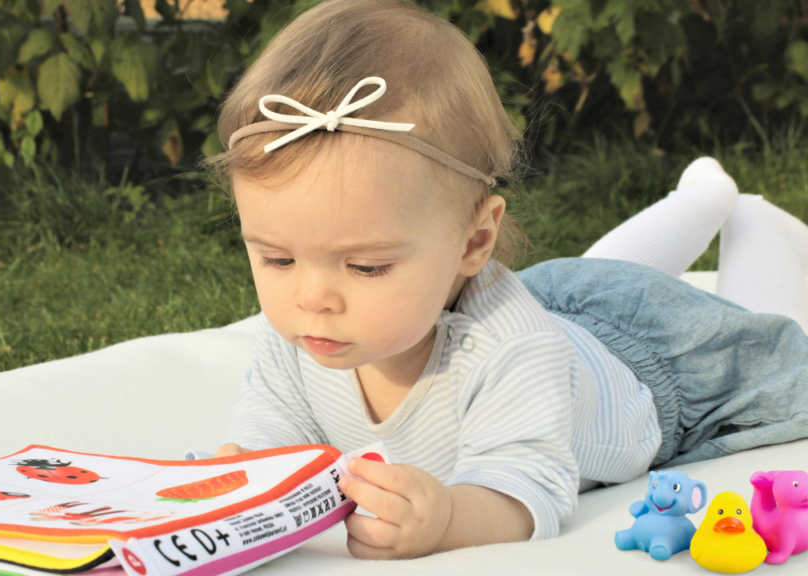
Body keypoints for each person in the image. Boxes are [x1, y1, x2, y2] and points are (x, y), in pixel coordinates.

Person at [193, 0, 808, 560]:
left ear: (475, 243)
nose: (312, 298)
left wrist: (448, 518)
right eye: (277, 259)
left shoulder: (512, 349)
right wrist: (242, 470)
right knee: (604, 279)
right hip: (565, 315)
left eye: (366, 266)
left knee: (771, 349)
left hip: (649, 376)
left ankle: (756, 221)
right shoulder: (300, 334)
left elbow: (528, 487)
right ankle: (700, 197)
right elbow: (273, 431)